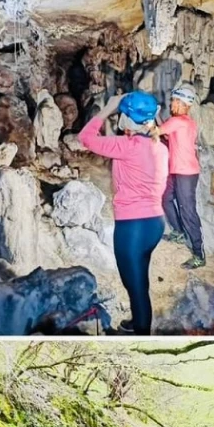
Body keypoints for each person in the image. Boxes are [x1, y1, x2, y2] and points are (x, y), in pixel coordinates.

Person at [78, 91, 168, 335]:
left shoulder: (127, 146)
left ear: (127, 118)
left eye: (121, 114)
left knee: (134, 285)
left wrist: (107, 109)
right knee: (140, 279)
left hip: (133, 227)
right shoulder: (159, 146)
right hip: (155, 223)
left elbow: (85, 138)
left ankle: (141, 332)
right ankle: (139, 319)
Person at [157, 85, 205, 269]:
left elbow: (157, 131)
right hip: (178, 170)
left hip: (186, 172)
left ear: (182, 103)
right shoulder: (186, 122)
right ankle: (178, 232)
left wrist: (148, 118)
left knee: (188, 211)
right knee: (166, 198)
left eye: (174, 102)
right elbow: (169, 136)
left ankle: (199, 254)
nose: (171, 105)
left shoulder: (179, 121)